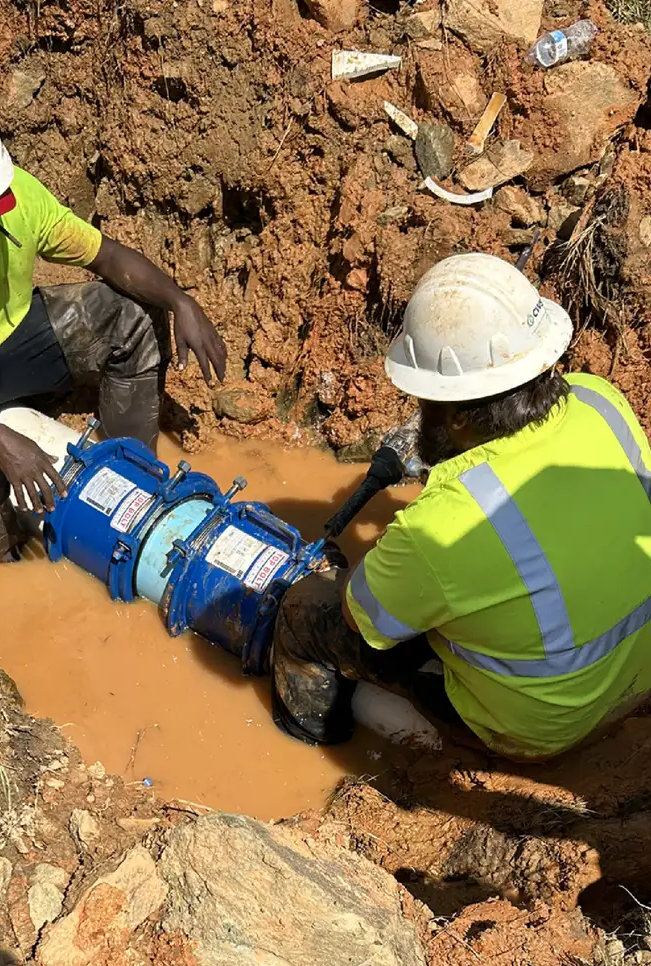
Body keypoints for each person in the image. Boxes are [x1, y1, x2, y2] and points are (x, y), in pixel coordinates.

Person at [272, 252, 651, 761]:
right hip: (639, 677)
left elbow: (358, 617)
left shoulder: (439, 528)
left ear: (454, 418)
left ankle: (309, 746)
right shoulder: (599, 399)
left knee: (304, 610)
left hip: (547, 728)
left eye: (425, 399)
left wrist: (359, 570)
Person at [0, 73, 226, 562]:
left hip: (19, 344)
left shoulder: (17, 196)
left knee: (130, 317)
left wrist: (181, 301)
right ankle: (16, 553)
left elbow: (108, 257)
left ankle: (136, 478)